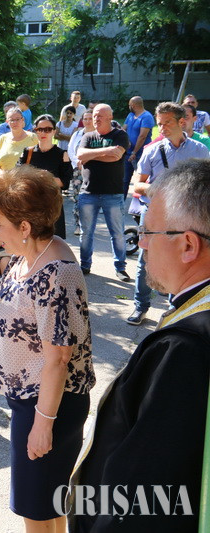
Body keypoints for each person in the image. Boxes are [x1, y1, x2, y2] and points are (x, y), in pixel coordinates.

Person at [71, 159, 210, 532]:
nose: (142, 243)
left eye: (148, 231)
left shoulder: (184, 348)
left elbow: (144, 497)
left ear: (188, 245)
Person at [0, 166, 94, 533]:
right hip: (31, 401)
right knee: (46, 506)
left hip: (49, 405)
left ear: (24, 226)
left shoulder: (56, 272)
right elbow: (2, 318)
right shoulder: (25, 256)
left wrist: (42, 425)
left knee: (35, 510)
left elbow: (59, 359)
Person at [125, 102, 209, 326]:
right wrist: (164, 193)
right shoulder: (152, 150)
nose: (161, 128)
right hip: (154, 215)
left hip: (187, 217)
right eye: (159, 124)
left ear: (182, 122)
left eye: (167, 123)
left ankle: (176, 309)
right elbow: (137, 185)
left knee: (183, 259)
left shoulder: (199, 151)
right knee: (145, 259)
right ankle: (140, 306)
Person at [76, 103, 131, 280]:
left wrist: (91, 155)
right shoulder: (88, 136)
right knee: (86, 233)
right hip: (88, 192)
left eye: (100, 115)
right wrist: (105, 152)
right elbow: (80, 155)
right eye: (94, 116)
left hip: (112, 193)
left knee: (117, 233)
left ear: (110, 117)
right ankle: (85, 265)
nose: (96, 119)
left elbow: (116, 155)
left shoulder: (120, 135)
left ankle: (120, 268)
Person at [19, 114, 72, 239]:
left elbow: (65, 183)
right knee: (30, 241)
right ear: (35, 131)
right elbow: (19, 177)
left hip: (52, 205)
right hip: (31, 204)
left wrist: (45, 178)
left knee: (53, 242)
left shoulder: (62, 154)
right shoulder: (28, 152)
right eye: (40, 129)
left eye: (48, 129)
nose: (43, 133)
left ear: (54, 131)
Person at [67, 109, 95, 236]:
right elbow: (70, 150)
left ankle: (89, 225)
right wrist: (77, 161)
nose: (88, 121)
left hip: (93, 171)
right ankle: (78, 225)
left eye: (90, 119)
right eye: (85, 119)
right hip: (78, 170)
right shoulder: (77, 134)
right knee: (78, 198)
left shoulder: (98, 135)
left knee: (92, 199)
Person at [122, 96, 155, 199]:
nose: (129, 107)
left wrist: (134, 152)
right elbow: (124, 129)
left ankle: (141, 203)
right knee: (124, 179)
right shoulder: (130, 115)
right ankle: (120, 203)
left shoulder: (147, 117)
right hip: (127, 153)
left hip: (141, 154)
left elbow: (142, 136)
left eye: (129, 105)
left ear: (134, 105)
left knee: (142, 180)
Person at [0, 107, 38, 177]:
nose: (15, 122)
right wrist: (1, 173)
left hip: (25, 180)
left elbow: (40, 160)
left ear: (23, 120)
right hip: (3, 180)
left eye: (17, 119)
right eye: (11, 120)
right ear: (7, 122)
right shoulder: (3, 138)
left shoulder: (32, 137)